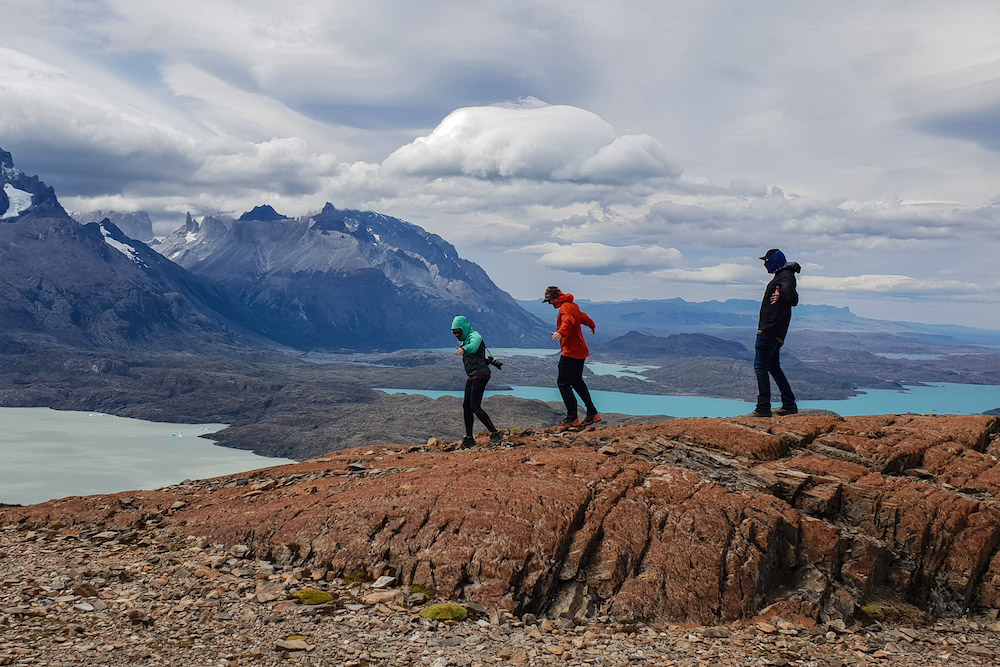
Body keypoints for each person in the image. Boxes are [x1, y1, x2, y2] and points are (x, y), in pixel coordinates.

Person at [751, 249, 802, 417]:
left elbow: (790, 297)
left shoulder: (785, 277)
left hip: (770, 330)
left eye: (767, 260)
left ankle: (763, 407)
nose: (765, 264)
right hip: (776, 330)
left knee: (760, 367)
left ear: (775, 260)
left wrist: (782, 295)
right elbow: (793, 299)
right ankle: (789, 403)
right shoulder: (784, 276)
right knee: (773, 366)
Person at [542, 286, 601, 426]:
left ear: (555, 298)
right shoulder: (572, 305)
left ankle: (572, 417)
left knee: (563, 383)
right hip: (580, 351)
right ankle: (592, 413)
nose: (550, 304)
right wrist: (592, 325)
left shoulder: (565, 308)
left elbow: (568, 321)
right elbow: (582, 317)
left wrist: (561, 332)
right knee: (576, 381)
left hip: (571, 351)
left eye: (550, 301)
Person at [451, 316, 503, 447]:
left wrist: (464, 349)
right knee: (466, 406)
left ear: (463, 328)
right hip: (473, 375)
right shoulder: (466, 339)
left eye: (458, 332)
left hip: (480, 374)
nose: (457, 335)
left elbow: (473, 347)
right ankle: (469, 438)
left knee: (474, 406)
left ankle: (495, 433)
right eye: (454, 333)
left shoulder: (475, 336)